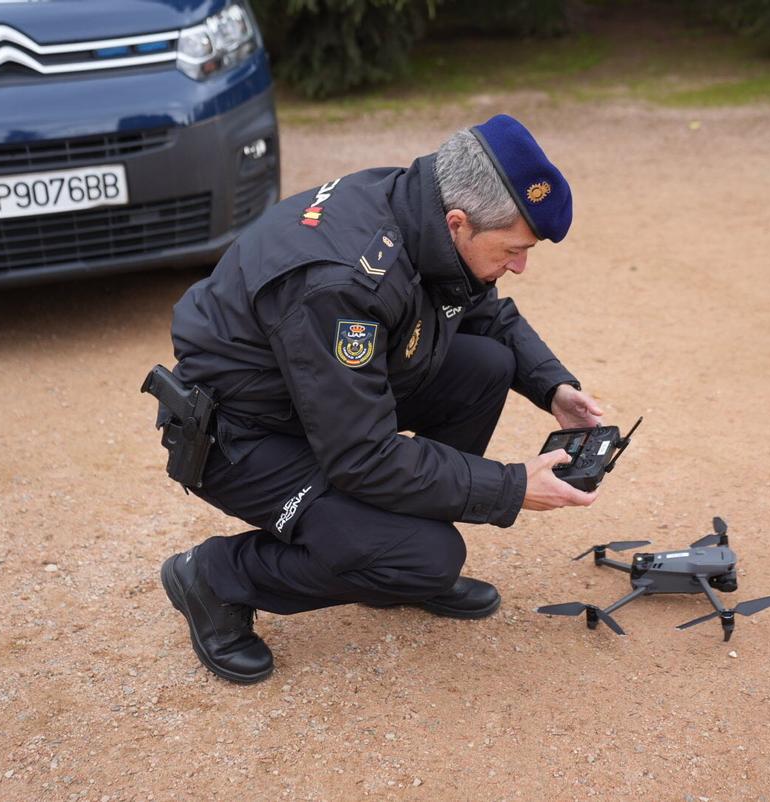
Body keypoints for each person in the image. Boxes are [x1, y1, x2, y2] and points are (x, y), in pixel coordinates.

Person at [158, 114, 604, 684]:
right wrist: (510, 486)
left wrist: (553, 386)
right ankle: (215, 577)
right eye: (514, 249)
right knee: (428, 556)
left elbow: (483, 307)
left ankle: (386, 551)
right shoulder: (343, 280)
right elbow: (361, 456)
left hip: (316, 401)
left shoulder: (421, 208)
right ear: (459, 222)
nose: (520, 265)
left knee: (489, 365)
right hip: (245, 434)